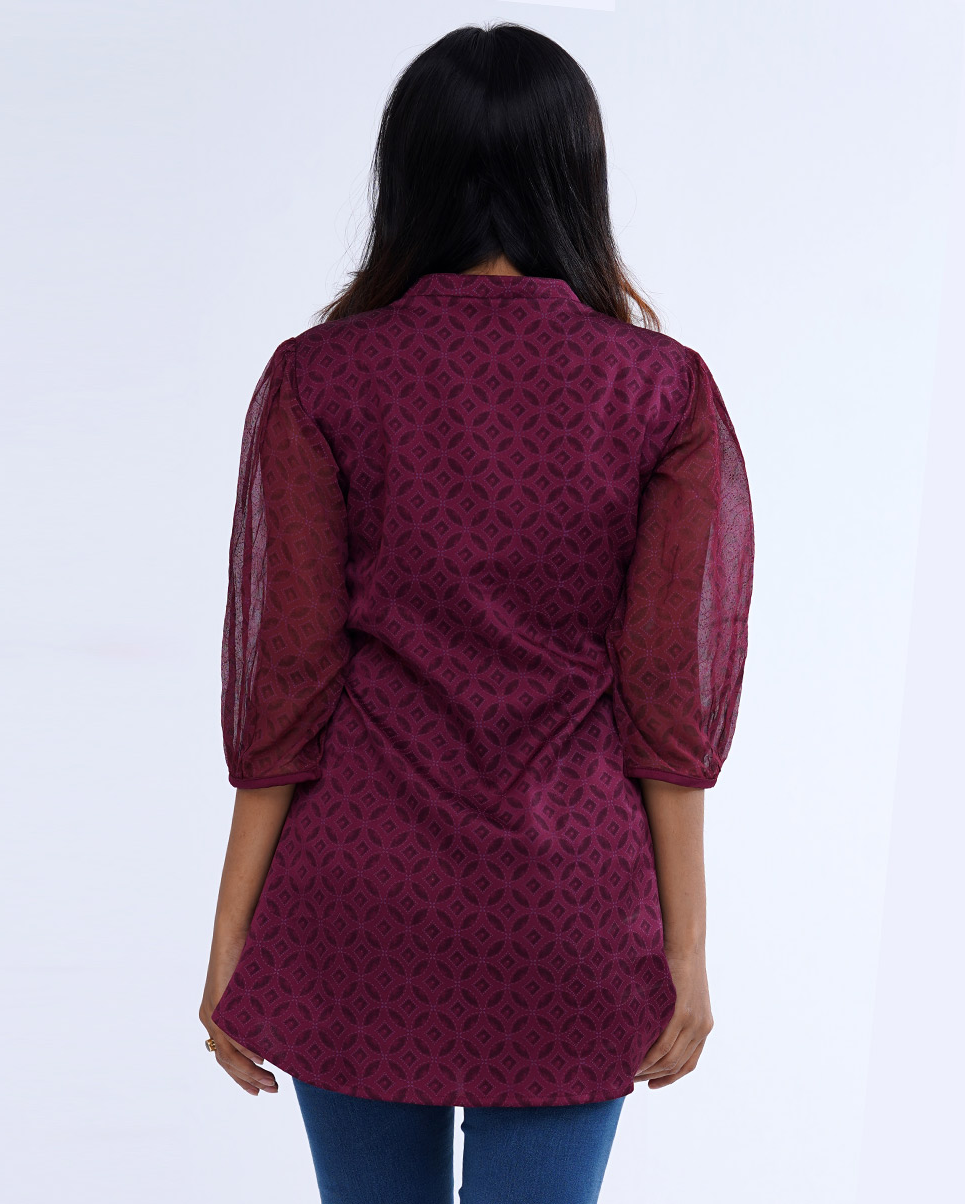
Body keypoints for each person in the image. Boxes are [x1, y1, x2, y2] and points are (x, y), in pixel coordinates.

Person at [199, 20, 755, 1204]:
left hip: (362, 897)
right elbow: (668, 693)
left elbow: (287, 675)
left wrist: (232, 932)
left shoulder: (320, 377)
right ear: (575, 175)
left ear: (406, 175)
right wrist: (686, 947)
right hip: (569, 907)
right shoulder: (661, 391)